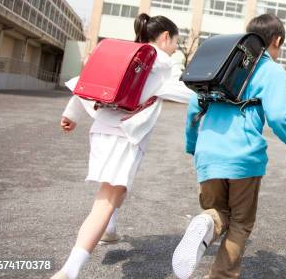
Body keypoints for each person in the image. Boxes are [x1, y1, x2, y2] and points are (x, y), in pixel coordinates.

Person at [51, 14, 194, 279]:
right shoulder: (161, 62)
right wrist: (210, 97)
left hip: (102, 130)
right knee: (105, 201)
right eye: (175, 42)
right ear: (165, 37)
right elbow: (181, 91)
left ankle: (110, 230)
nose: (175, 48)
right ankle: (70, 270)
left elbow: (88, 80)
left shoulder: (126, 53)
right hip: (126, 136)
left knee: (118, 187)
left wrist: (71, 114)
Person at [172, 13, 286, 279]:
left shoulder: (221, 64)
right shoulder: (271, 70)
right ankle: (220, 275)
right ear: (276, 40)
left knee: (217, 212)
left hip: (208, 154)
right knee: (241, 223)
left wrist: (192, 145)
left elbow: (192, 109)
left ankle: (206, 221)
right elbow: (278, 116)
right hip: (244, 157)